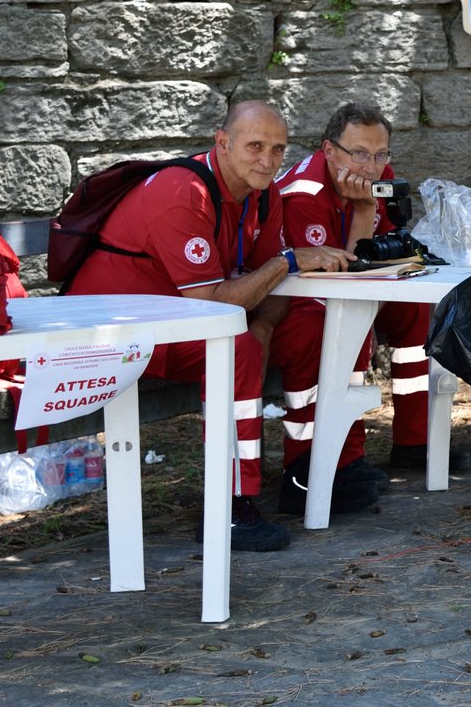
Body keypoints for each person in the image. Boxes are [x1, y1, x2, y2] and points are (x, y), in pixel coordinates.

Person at [68, 102, 354, 551]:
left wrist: (263, 326)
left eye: (278, 149)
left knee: (307, 325)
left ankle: (311, 473)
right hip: (116, 332)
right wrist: (287, 263)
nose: (268, 160)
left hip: (173, 322)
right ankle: (230, 508)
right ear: (222, 143)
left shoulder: (264, 194)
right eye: (255, 146)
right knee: (235, 349)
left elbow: (274, 284)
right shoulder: (182, 192)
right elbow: (213, 304)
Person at [273, 102, 439, 513]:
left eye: (381, 155)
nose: (372, 166)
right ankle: (314, 463)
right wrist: (365, 211)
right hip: (297, 303)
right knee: (333, 325)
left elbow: (374, 256)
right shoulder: (303, 195)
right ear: (330, 151)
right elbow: (343, 281)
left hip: (344, 292)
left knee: (417, 312)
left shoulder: (371, 182)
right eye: (359, 153)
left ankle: (415, 441)